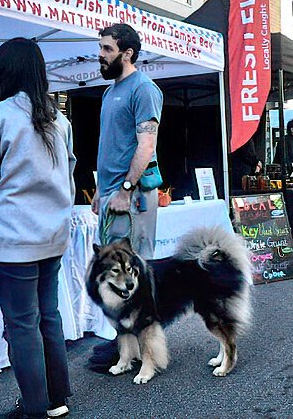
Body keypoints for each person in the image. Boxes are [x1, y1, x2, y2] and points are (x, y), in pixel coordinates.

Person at [0, 38, 76, 419]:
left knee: (22, 325)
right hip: (52, 238)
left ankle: (35, 409)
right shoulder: (60, 121)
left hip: (11, 242)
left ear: (2, 73)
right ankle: (56, 400)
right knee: (49, 317)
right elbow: (68, 175)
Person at [88, 23, 163, 373]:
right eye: (101, 48)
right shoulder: (109, 92)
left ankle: (148, 356)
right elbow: (112, 146)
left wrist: (125, 190)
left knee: (136, 278)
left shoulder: (144, 89)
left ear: (127, 53)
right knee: (115, 277)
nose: (100, 55)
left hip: (130, 200)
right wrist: (102, 194)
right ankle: (125, 353)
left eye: (106, 49)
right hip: (112, 198)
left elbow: (146, 145)